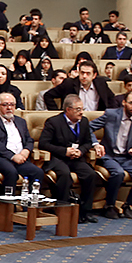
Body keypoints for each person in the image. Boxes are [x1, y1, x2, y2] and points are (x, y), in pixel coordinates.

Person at [88, 92, 132, 219]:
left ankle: (128, 205)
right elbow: (88, 128)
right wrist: (96, 144)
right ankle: (109, 206)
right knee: (118, 173)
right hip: (109, 155)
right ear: (124, 103)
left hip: (127, 157)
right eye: (131, 103)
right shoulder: (111, 114)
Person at [39, 95, 98, 223]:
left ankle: (85, 211)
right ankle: (62, 209)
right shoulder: (53, 122)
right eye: (78, 109)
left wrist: (80, 151)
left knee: (90, 174)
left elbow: (88, 142)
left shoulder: (84, 121)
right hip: (58, 158)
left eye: (82, 109)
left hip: (76, 158)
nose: (81, 112)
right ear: (68, 110)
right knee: (65, 174)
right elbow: (43, 144)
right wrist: (64, 151)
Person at [0, 92, 45, 195]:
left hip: (21, 158)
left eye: (12, 105)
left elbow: (29, 140)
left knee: (37, 172)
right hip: (1, 158)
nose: (9, 108)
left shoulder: (21, 121)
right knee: (11, 172)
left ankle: (29, 203)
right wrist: (12, 156)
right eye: (5, 105)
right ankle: (8, 203)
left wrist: (26, 151)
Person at [45, 59, 115, 111]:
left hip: (96, 119)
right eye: (82, 73)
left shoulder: (101, 84)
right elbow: (48, 95)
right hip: (74, 120)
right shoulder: (69, 84)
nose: (84, 76)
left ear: (94, 75)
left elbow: (112, 99)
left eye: (88, 73)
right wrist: (57, 112)